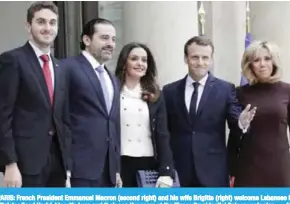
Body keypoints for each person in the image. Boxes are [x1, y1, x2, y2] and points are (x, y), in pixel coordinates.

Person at [0, 1, 71, 187]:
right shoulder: (12, 60)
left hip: (58, 164)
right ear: (28, 25)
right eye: (41, 22)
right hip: (25, 164)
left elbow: (63, 119)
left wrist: (68, 167)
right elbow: (2, 115)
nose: (47, 28)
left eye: (52, 23)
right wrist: (10, 163)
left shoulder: (61, 67)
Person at [162, 36, 256, 187]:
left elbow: (234, 123)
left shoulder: (225, 89)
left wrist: (241, 122)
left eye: (205, 57)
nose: (200, 62)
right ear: (186, 59)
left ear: (211, 60)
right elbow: (164, 132)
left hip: (213, 172)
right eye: (195, 57)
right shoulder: (169, 91)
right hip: (179, 171)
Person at [227, 41, 290, 187]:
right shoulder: (239, 93)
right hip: (248, 167)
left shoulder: (288, 91)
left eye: (267, 59)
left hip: (280, 168)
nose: (262, 64)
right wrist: (231, 171)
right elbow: (234, 136)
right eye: (256, 60)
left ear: (274, 62)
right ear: (250, 65)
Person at [62, 18, 121, 187]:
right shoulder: (67, 68)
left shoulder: (113, 78)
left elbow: (112, 124)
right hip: (79, 170)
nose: (110, 43)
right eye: (104, 38)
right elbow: (61, 117)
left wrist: (116, 169)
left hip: (108, 172)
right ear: (86, 40)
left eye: (113, 39)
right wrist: (65, 168)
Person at [115, 42, 175, 187]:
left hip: (148, 163)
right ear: (124, 62)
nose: (140, 63)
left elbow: (162, 134)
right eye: (134, 59)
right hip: (121, 163)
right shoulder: (113, 90)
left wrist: (166, 172)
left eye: (144, 60)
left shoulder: (154, 94)